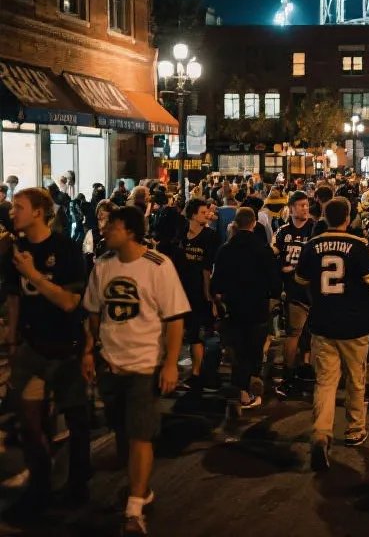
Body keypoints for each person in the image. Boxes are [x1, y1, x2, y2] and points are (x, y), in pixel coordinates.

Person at [82, 206, 190, 535]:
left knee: (141, 434)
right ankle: (141, 490)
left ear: (130, 231)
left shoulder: (158, 266)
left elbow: (174, 319)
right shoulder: (102, 265)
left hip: (145, 365)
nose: (104, 230)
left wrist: (170, 363)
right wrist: (89, 351)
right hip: (111, 363)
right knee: (123, 432)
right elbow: (94, 313)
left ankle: (133, 507)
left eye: (111, 226)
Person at [2, 188, 91, 519]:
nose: (13, 213)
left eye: (19, 208)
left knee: (76, 420)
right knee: (27, 422)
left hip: (65, 348)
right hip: (30, 348)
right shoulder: (15, 250)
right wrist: (12, 341)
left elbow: (70, 303)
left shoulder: (65, 249)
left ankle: (78, 483)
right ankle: (38, 486)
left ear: (39, 212)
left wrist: (34, 275)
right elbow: (14, 299)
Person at [295, 198, 369, 470]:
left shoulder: (312, 246)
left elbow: (301, 281)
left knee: (325, 381)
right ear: (347, 217)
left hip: (323, 322)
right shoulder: (359, 245)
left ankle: (321, 432)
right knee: (355, 379)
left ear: (324, 216)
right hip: (354, 323)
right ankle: (355, 429)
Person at [211, 208, 281, 410]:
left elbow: (217, 282)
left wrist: (219, 298)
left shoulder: (226, 249)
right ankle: (251, 383)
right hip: (257, 305)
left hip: (234, 305)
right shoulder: (263, 249)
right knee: (255, 348)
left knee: (238, 349)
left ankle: (241, 389)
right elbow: (274, 283)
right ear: (253, 224)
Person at [271, 191, 316, 398]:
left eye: (307, 205)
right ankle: (288, 373)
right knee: (293, 333)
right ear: (291, 208)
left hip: (313, 290)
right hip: (293, 290)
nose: (305, 209)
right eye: (300, 205)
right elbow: (274, 255)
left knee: (310, 333)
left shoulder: (314, 228)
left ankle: (306, 366)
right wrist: (282, 268)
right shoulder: (282, 232)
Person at [177, 198, 220, 392]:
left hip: (197, 292)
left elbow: (207, 269)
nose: (207, 215)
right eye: (203, 212)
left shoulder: (210, 236)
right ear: (193, 214)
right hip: (178, 289)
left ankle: (196, 373)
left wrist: (208, 295)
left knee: (196, 333)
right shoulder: (181, 234)